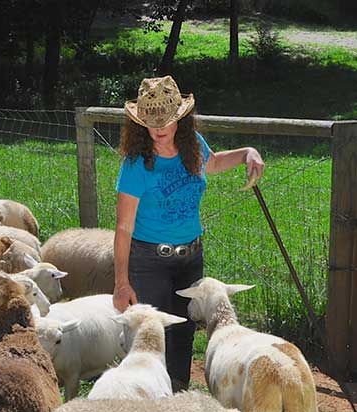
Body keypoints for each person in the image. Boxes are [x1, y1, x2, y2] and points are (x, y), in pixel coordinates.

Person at [113, 75, 265, 392]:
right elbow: (124, 227)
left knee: (183, 331)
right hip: (149, 261)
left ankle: (178, 391)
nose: (158, 127)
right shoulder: (136, 164)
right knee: (152, 334)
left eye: (165, 119)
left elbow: (215, 163)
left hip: (191, 257)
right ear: (140, 123)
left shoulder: (192, 145)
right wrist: (122, 283)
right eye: (150, 120)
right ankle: (148, 397)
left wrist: (247, 152)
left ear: (180, 118)